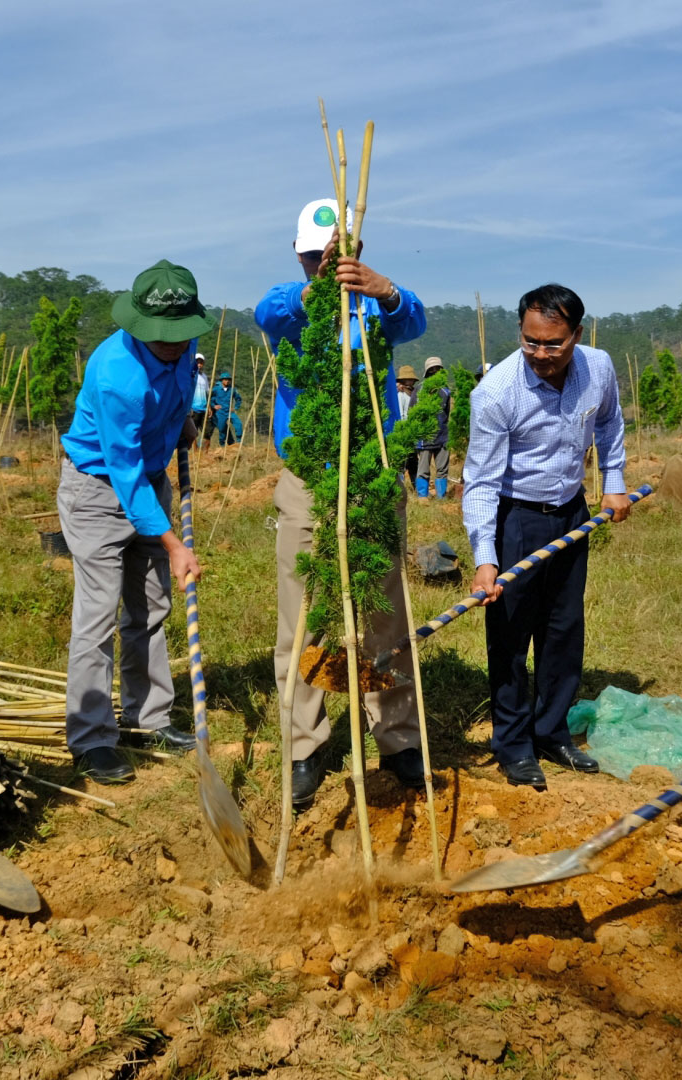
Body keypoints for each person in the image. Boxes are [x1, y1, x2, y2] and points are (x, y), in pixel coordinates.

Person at [255, 197, 429, 811]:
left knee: (385, 612)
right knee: (300, 615)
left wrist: (385, 290)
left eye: (329, 255)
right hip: (309, 478)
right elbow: (266, 311)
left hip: (373, 474)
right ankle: (304, 746)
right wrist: (313, 291)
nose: (320, 264)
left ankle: (400, 738)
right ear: (300, 256)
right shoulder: (292, 307)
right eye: (310, 257)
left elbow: (415, 322)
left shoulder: (376, 308)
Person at [462, 284, 631, 789]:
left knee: (562, 629)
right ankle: (513, 745)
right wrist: (485, 558)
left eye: (553, 344)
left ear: (576, 335)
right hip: (517, 518)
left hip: (571, 514)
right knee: (511, 634)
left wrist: (614, 484)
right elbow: (482, 482)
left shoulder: (597, 368)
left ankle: (551, 731)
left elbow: (610, 424)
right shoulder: (495, 393)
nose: (540, 354)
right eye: (531, 342)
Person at [58, 260, 211, 785]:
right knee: (98, 615)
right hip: (99, 491)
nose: (172, 345)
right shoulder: (115, 375)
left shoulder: (185, 346)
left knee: (151, 607)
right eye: (159, 338)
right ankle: (92, 737)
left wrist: (182, 421)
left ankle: (148, 719)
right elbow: (123, 475)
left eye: (180, 335)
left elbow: (177, 387)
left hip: (151, 479)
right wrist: (172, 542)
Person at [413, 356, 453, 498]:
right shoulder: (419, 390)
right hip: (425, 437)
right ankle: (422, 496)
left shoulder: (445, 391)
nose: (435, 372)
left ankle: (441, 496)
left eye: (437, 369)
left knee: (442, 469)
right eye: (432, 370)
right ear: (427, 372)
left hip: (442, 435)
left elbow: (447, 413)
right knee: (423, 469)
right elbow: (413, 412)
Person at [208, 372, 243, 447]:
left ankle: (239, 442)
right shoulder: (216, 389)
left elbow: (238, 399)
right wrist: (214, 406)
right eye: (225, 380)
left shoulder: (232, 389)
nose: (227, 381)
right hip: (220, 413)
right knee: (222, 429)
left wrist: (235, 408)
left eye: (228, 380)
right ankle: (222, 444)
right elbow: (210, 399)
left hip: (230, 412)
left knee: (238, 424)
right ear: (222, 380)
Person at [190, 357, 210, 440]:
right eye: (197, 362)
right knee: (194, 432)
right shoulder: (191, 375)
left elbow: (207, 392)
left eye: (201, 363)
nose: (199, 364)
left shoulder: (204, 377)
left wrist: (209, 407)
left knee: (207, 432)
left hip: (204, 408)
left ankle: (205, 452)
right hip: (193, 408)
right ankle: (195, 450)